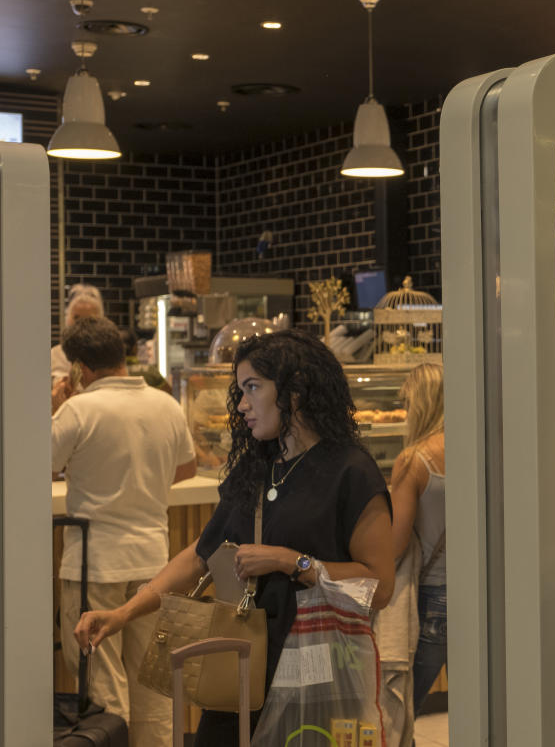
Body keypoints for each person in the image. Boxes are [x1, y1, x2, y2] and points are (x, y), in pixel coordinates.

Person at [74, 329, 395, 745]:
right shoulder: (256, 465)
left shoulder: (351, 472)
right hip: (240, 663)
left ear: (294, 391)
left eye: (253, 388)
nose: (242, 404)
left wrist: (290, 561)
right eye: (239, 390)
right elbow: (201, 554)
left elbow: (379, 585)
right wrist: (123, 614)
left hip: (316, 671)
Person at [52, 316, 197, 747]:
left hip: (94, 562)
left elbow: (36, 461)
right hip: (154, 563)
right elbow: (187, 468)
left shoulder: (79, 409)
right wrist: (142, 484)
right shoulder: (165, 404)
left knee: (102, 685)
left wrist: (55, 406)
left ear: (79, 368)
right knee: (153, 683)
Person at [376, 363, 447, 744]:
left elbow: (395, 543)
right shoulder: (486, 446)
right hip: (485, 595)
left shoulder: (415, 460)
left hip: (432, 596)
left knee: (403, 710)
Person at [52, 283, 105, 385]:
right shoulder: (57, 354)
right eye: (76, 318)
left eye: (89, 319)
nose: (82, 324)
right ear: (68, 320)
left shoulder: (108, 354)